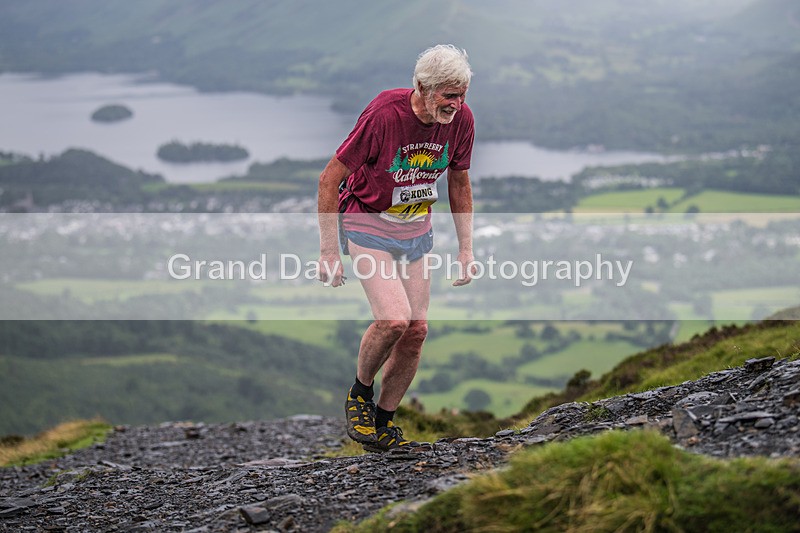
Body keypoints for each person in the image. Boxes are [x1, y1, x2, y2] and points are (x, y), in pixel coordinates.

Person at [317, 44, 476, 452]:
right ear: (422, 87)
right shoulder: (385, 115)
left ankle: (383, 423)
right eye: (448, 95)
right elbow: (328, 179)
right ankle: (359, 394)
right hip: (366, 223)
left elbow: (459, 182)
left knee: (416, 331)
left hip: (416, 230)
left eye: (462, 95)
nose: (456, 105)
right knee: (393, 320)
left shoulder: (461, 121)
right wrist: (330, 252)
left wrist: (466, 249)